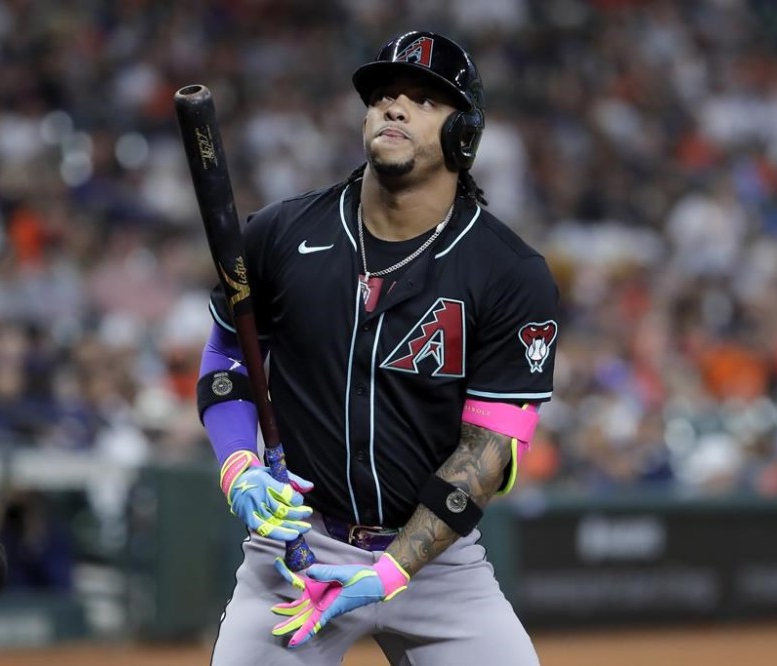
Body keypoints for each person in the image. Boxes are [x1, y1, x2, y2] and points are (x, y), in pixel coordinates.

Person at [199, 30, 559, 665]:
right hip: (296, 550)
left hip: (435, 561)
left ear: (464, 135)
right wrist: (238, 465)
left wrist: (390, 572)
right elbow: (229, 358)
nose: (394, 105)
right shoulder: (281, 233)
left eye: (424, 100)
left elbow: (485, 457)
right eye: (385, 94)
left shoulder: (509, 273)